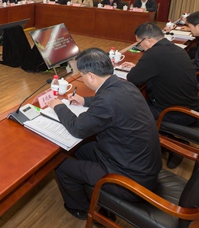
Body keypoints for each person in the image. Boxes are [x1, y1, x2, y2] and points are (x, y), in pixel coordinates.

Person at [47, 48, 161, 220]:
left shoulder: (107, 100)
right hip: (139, 165)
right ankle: (89, 189)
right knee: (79, 149)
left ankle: (82, 209)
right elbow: (108, 102)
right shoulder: (125, 85)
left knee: (60, 165)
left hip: (129, 180)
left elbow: (78, 128)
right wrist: (84, 100)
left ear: (91, 76)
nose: (83, 79)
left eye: (82, 75)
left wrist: (58, 106)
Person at [122, 23, 199, 124]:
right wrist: (141, 67)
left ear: (148, 40)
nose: (140, 46)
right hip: (190, 108)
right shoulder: (176, 49)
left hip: (173, 113)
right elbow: (163, 67)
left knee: (125, 107)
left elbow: (133, 78)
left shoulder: (153, 53)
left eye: (139, 43)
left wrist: (138, 69)